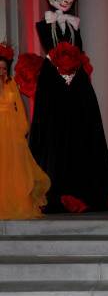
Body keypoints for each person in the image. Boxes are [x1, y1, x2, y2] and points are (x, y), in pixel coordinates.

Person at [28, 0, 108, 213]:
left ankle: (83, 189)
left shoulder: (74, 25)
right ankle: (56, 190)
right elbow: (52, 48)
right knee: (54, 134)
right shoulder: (46, 24)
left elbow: (79, 51)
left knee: (82, 133)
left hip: (76, 85)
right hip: (54, 85)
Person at [0, 43, 50, 219]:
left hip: (11, 130)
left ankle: (16, 201)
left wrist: (22, 129)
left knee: (14, 167)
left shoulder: (11, 84)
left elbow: (18, 108)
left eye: (4, 68)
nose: (2, 71)